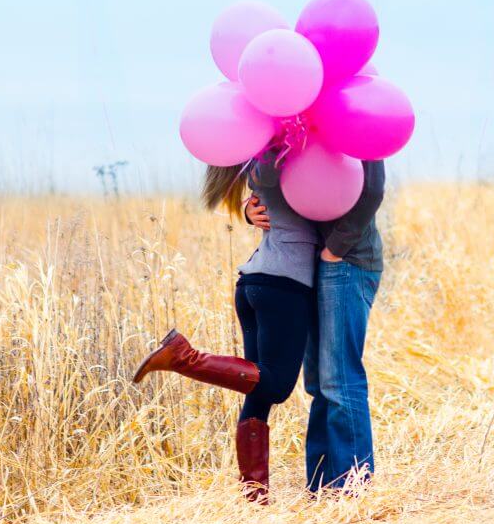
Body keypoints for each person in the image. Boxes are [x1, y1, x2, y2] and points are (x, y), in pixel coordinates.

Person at [132, 152, 318, 502]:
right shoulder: (295, 159)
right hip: (284, 284)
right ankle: (182, 357)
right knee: (276, 386)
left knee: (258, 391)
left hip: (253, 284)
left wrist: (249, 211)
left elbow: (274, 202)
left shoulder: (262, 163)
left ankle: (254, 496)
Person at [246, 160, 385, 491]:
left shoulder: (353, 116)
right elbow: (276, 179)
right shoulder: (300, 122)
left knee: (339, 379)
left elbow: (372, 188)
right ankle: (323, 488)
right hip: (311, 266)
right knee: (319, 382)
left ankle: (353, 488)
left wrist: (336, 249)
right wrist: (250, 209)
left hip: (347, 262)